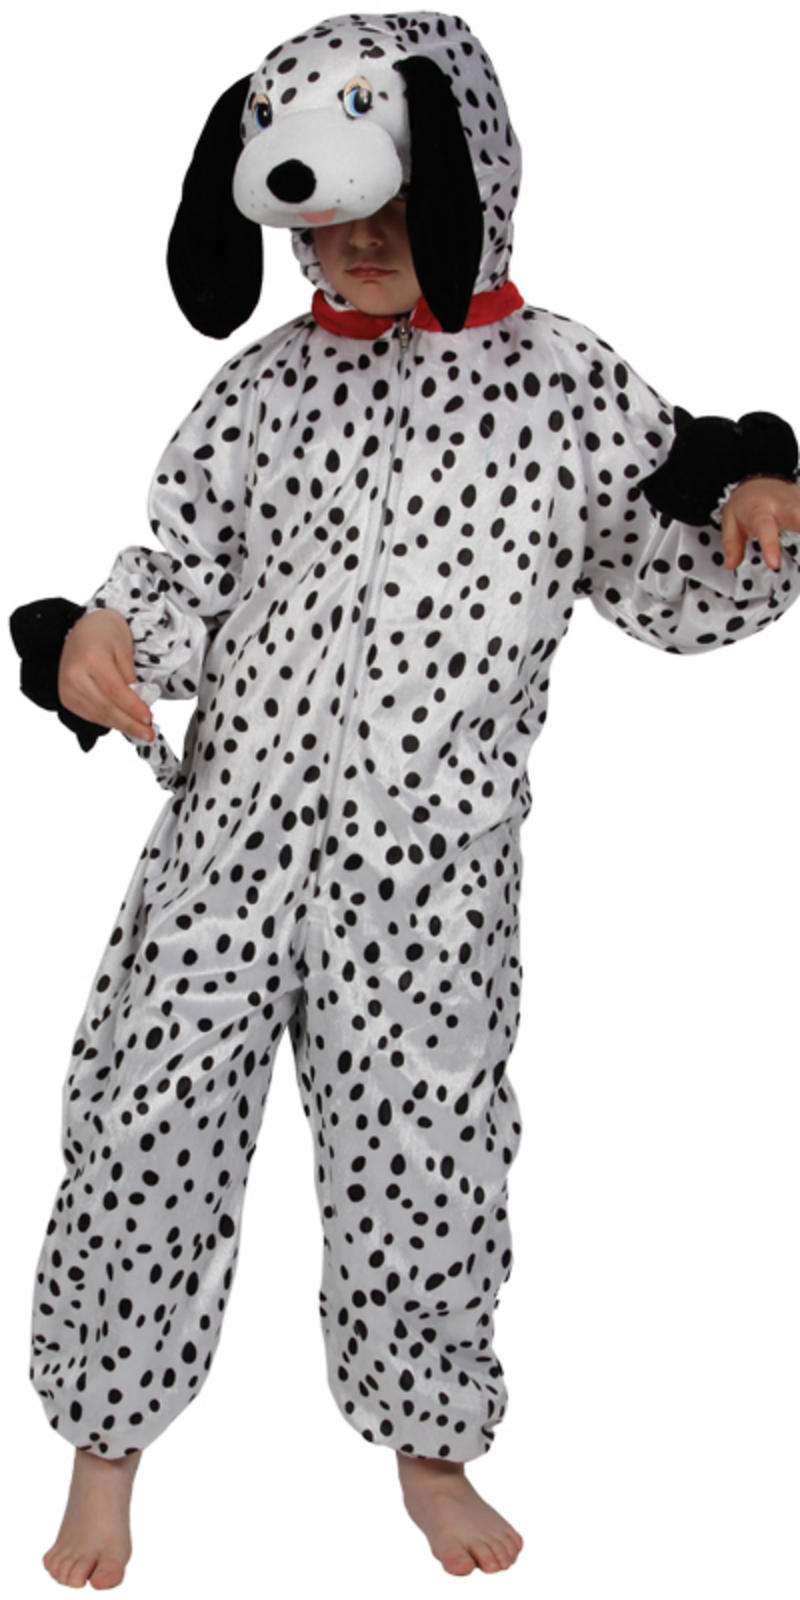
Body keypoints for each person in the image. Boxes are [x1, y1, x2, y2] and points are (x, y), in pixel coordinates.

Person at [11, 11, 800, 1589]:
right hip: (223, 847)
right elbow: (180, 576)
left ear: (468, 189)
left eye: (393, 213)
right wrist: (95, 643)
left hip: (428, 876)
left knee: (426, 1153)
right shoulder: (258, 393)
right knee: (143, 1128)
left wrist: (760, 506)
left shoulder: (562, 388)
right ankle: (104, 1455)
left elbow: (673, 566)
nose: (357, 247)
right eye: (329, 224)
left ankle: (431, 1451)